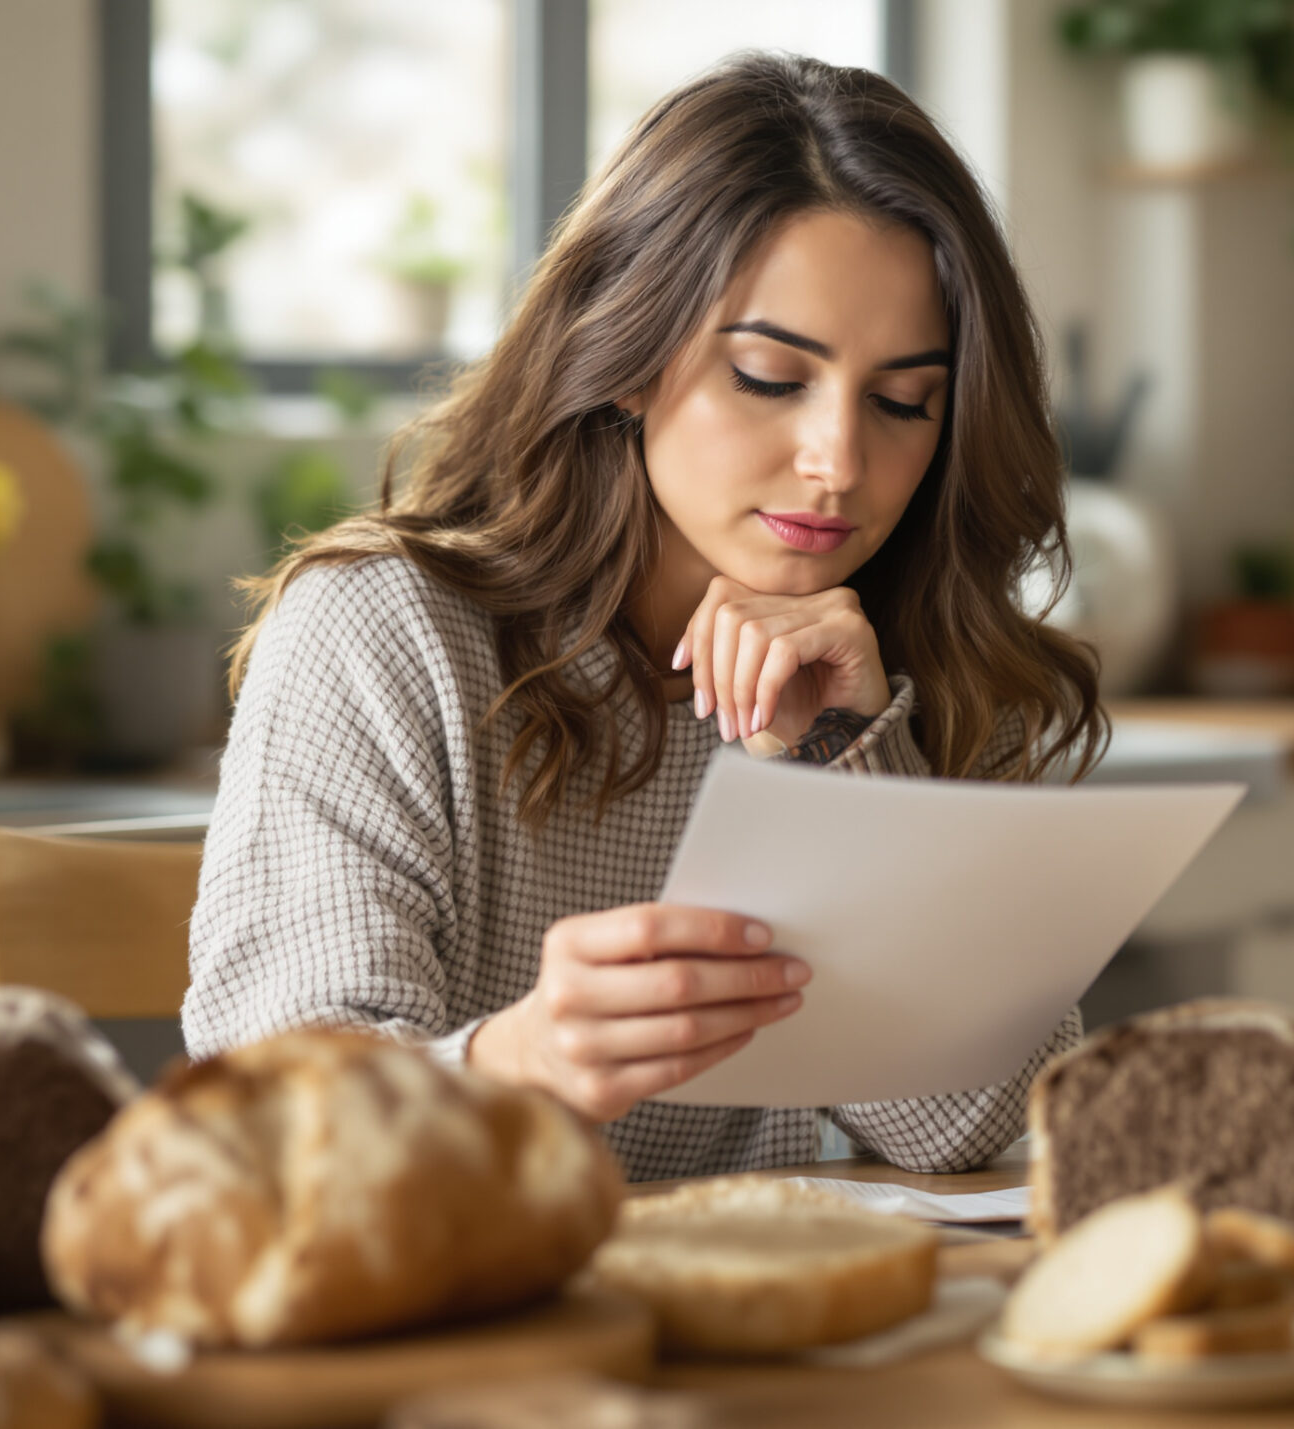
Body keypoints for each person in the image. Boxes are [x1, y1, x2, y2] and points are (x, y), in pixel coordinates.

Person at [183, 53, 1105, 1181]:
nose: (839, 461)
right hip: (451, 1324)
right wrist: (521, 1063)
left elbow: (965, 1130)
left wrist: (845, 761)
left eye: (903, 401)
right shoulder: (384, 631)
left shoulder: (918, 658)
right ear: (627, 354)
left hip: (746, 1326)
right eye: (771, 376)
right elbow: (274, 1116)